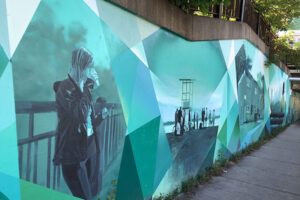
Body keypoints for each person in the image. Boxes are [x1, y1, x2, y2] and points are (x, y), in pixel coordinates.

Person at [53, 47, 102, 200]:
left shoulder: (84, 86)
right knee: (85, 196)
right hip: (73, 155)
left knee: (93, 192)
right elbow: (80, 115)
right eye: (90, 67)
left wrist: (91, 86)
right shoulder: (65, 88)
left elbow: (87, 116)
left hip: (89, 147)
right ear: (81, 66)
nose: (91, 71)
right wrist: (88, 87)